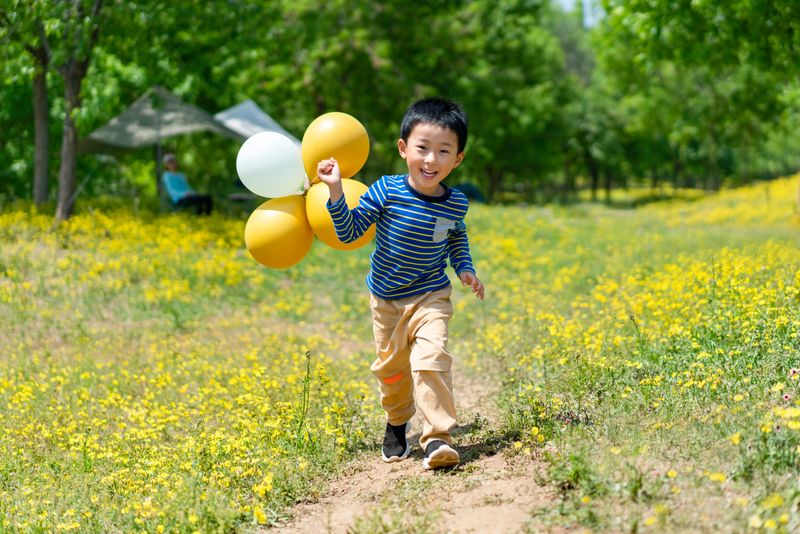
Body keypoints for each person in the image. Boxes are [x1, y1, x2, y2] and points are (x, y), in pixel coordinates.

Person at [317, 98, 485, 470]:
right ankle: (396, 420)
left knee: (430, 360)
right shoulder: (385, 191)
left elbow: (457, 238)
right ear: (404, 148)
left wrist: (465, 269)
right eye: (423, 148)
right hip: (387, 302)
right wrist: (334, 191)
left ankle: (438, 438)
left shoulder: (455, 202)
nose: (431, 160)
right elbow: (349, 232)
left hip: (431, 296)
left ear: (457, 159)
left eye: (444, 151)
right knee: (392, 373)